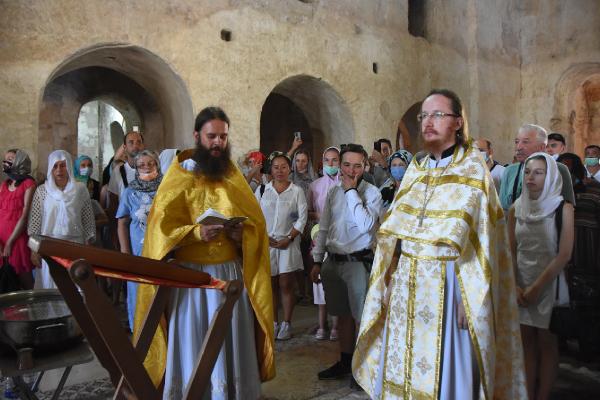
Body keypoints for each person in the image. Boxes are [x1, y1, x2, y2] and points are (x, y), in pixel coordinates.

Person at [353, 89, 526, 399]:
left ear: (458, 122)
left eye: (437, 114)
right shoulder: (415, 172)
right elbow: (397, 233)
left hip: (450, 286)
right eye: (424, 116)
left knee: (445, 370)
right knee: (402, 364)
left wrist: (470, 295)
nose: (427, 122)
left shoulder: (473, 170)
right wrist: (390, 278)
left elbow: (484, 241)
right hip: (407, 283)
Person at [135, 107, 274, 399]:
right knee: (193, 339)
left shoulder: (232, 175)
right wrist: (196, 233)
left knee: (230, 337)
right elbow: (159, 231)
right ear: (197, 136)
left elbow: (256, 226)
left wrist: (239, 235)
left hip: (229, 275)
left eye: (223, 137)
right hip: (191, 278)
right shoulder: (179, 175)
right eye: (212, 136)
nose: (218, 143)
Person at [310, 143, 382, 389]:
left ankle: (364, 369)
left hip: (357, 262)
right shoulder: (332, 193)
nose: (351, 171)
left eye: (357, 166)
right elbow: (324, 228)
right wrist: (317, 260)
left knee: (362, 317)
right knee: (341, 318)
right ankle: (346, 361)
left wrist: (352, 192)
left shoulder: (372, 193)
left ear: (365, 166)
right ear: (340, 165)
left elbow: (366, 226)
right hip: (333, 261)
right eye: (347, 165)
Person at [508, 152, 574, 400]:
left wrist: (537, 287)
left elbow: (564, 253)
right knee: (526, 344)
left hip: (549, 283)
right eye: (527, 172)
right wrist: (515, 284)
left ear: (550, 177)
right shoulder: (516, 208)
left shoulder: (563, 208)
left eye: (538, 172)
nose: (530, 177)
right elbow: (511, 249)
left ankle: (543, 396)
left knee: (547, 344)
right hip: (522, 283)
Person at [256, 151, 307, 341]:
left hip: (288, 242)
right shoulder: (262, 190)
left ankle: (287, 323)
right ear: (271, 169)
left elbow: (302, 218)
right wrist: (263, 236)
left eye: (283, 167)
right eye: (276, 167)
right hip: (267, 242)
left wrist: (290, 236)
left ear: (289, 169)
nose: (279, 171)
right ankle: (274, 322)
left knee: (286, 283)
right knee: (271, 284)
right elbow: (255, 216)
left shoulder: (297, 191)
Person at [28, 150, 95, 289]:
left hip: (76, 245)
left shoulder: (80, 189)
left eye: (63, 165)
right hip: (49, 246)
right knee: (51, 287)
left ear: (69, 166)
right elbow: (35, 223)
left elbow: (88, 220)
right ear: (50, 169)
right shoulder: (42, 191)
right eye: (55, 166)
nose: (59, 170)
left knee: (76, 287)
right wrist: (34, 250)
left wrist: (88, 247)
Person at [116, 150, 162, 330]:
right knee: (139, 294)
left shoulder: (166, 188)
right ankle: (141, 336)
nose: (146, 167)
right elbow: (122, 222)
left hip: (162, 252)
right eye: (142, 164)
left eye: (150, 163)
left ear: (157, 165)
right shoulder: (130, 192)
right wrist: (125, 254)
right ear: (136, 168)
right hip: (138, 253)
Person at [307, 146, 341, 341]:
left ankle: (336, 325)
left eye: (334, 160)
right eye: (327, 160)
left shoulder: (345, 184)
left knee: (336, 281)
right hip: (319, 236)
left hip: (339, 238)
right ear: (322, 162)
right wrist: (319, 215)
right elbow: (308, 211)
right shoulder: (315, 185)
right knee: (319, 281)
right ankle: (322, 324)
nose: (330, 164)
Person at [499, 124, 575, 211]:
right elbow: (503, 207)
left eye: (525, 142)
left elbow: (568, 206)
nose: (518, 147)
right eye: (516, 142)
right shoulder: (510, 170)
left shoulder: (559, 169)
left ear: (542, 147)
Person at [0, 149, 36, 289]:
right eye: (5, 159)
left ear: (20, 161)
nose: (6, 162)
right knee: (4, 280)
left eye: (11, 158)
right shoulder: (4, 185)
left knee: (24, 279)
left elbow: (25, 215)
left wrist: (10, 242)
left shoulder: (28, 184)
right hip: (1, 238)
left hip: (17, 237)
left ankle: (30, 310)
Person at [290, 148, 317, 303]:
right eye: (298, 160)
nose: (300, 164)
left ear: (308, 162)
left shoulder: (314, 180)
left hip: (312, 222)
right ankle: (301, 292)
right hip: (295, 222)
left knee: (311, 259)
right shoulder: (290, 179)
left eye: (303, 161)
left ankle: (313, 292)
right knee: (298, 259)